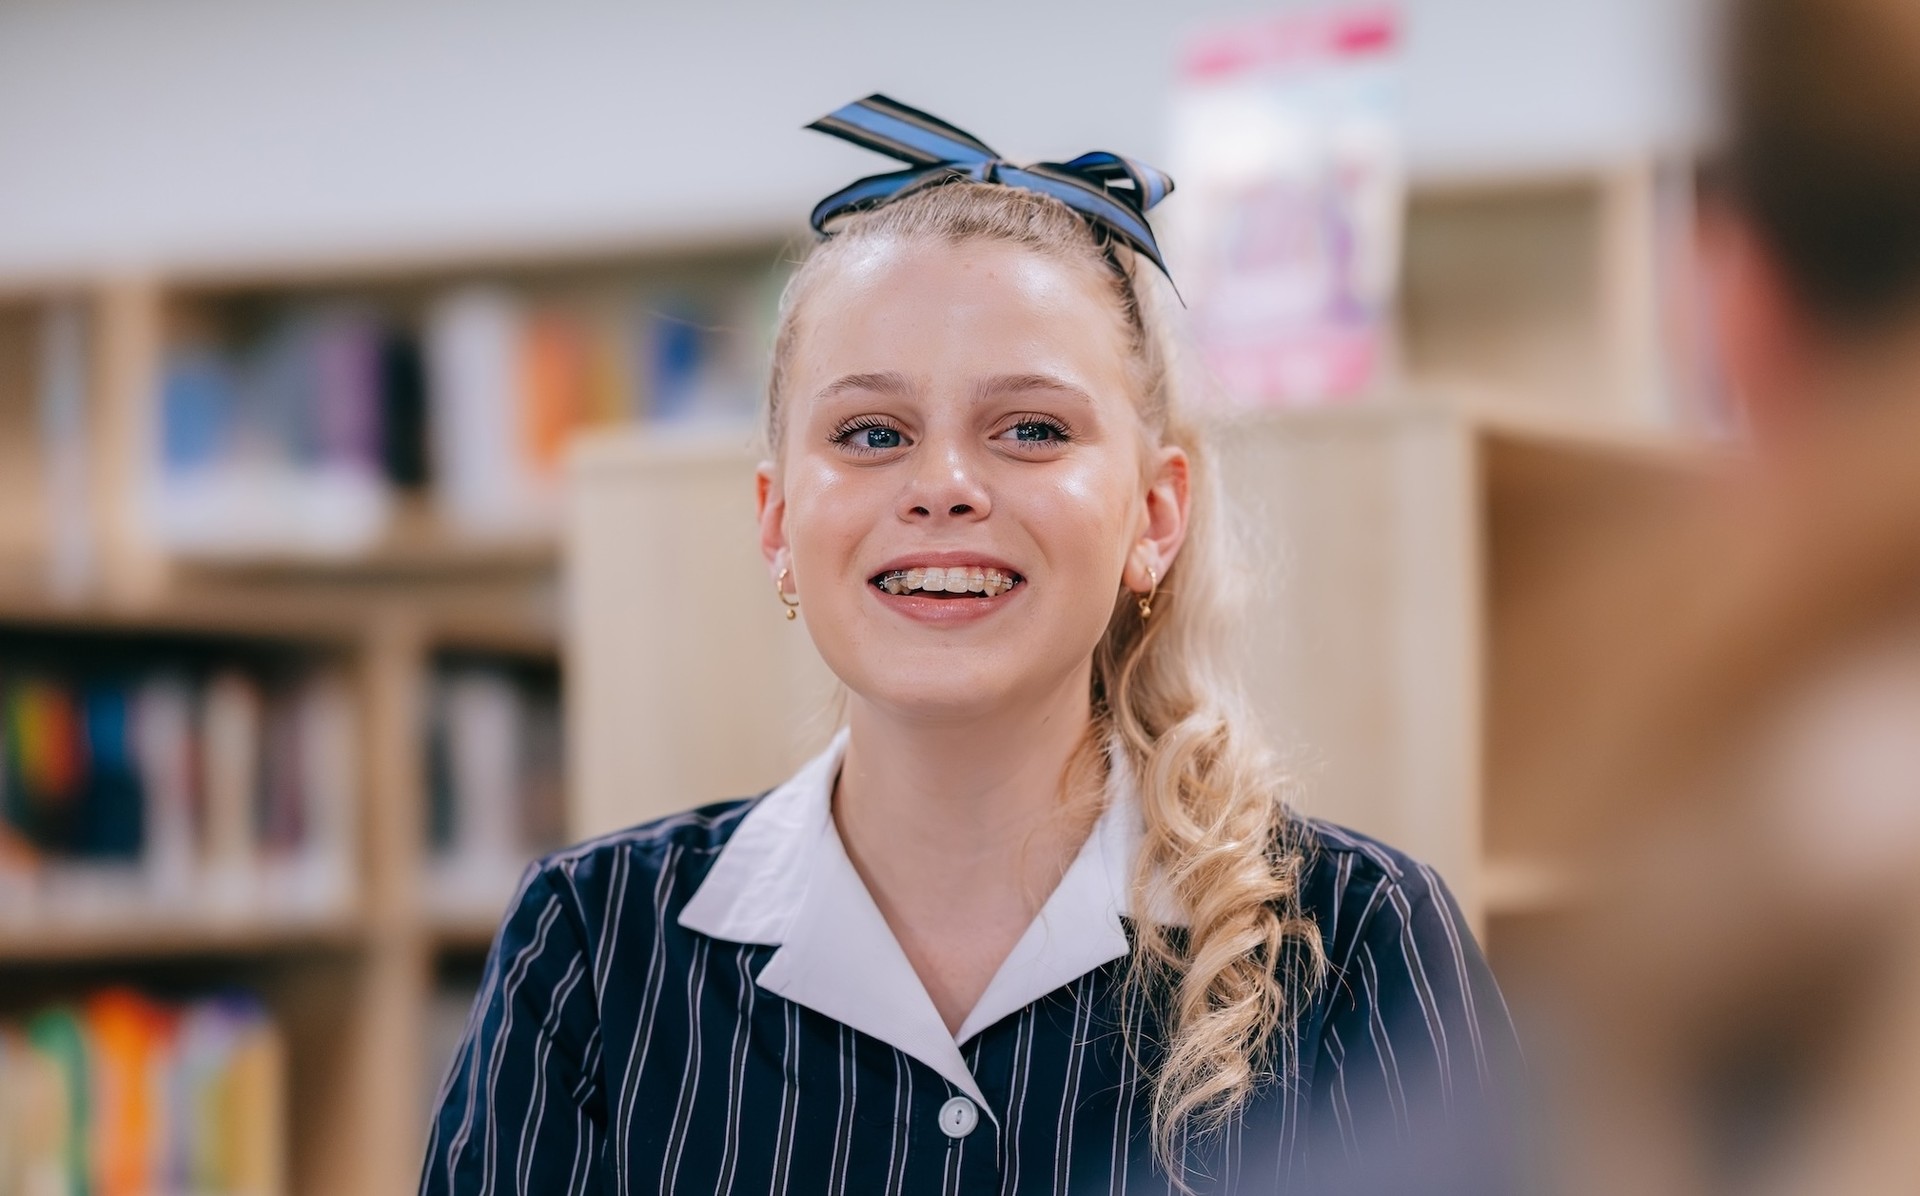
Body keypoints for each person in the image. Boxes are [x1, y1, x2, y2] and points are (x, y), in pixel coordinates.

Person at [420, 95, 1518, 1196]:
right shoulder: (592, 953)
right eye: (872, 433)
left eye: (1031, 428)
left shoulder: (1362, 942)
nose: (942, 485)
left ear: (1155, 514)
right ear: (776, 521)